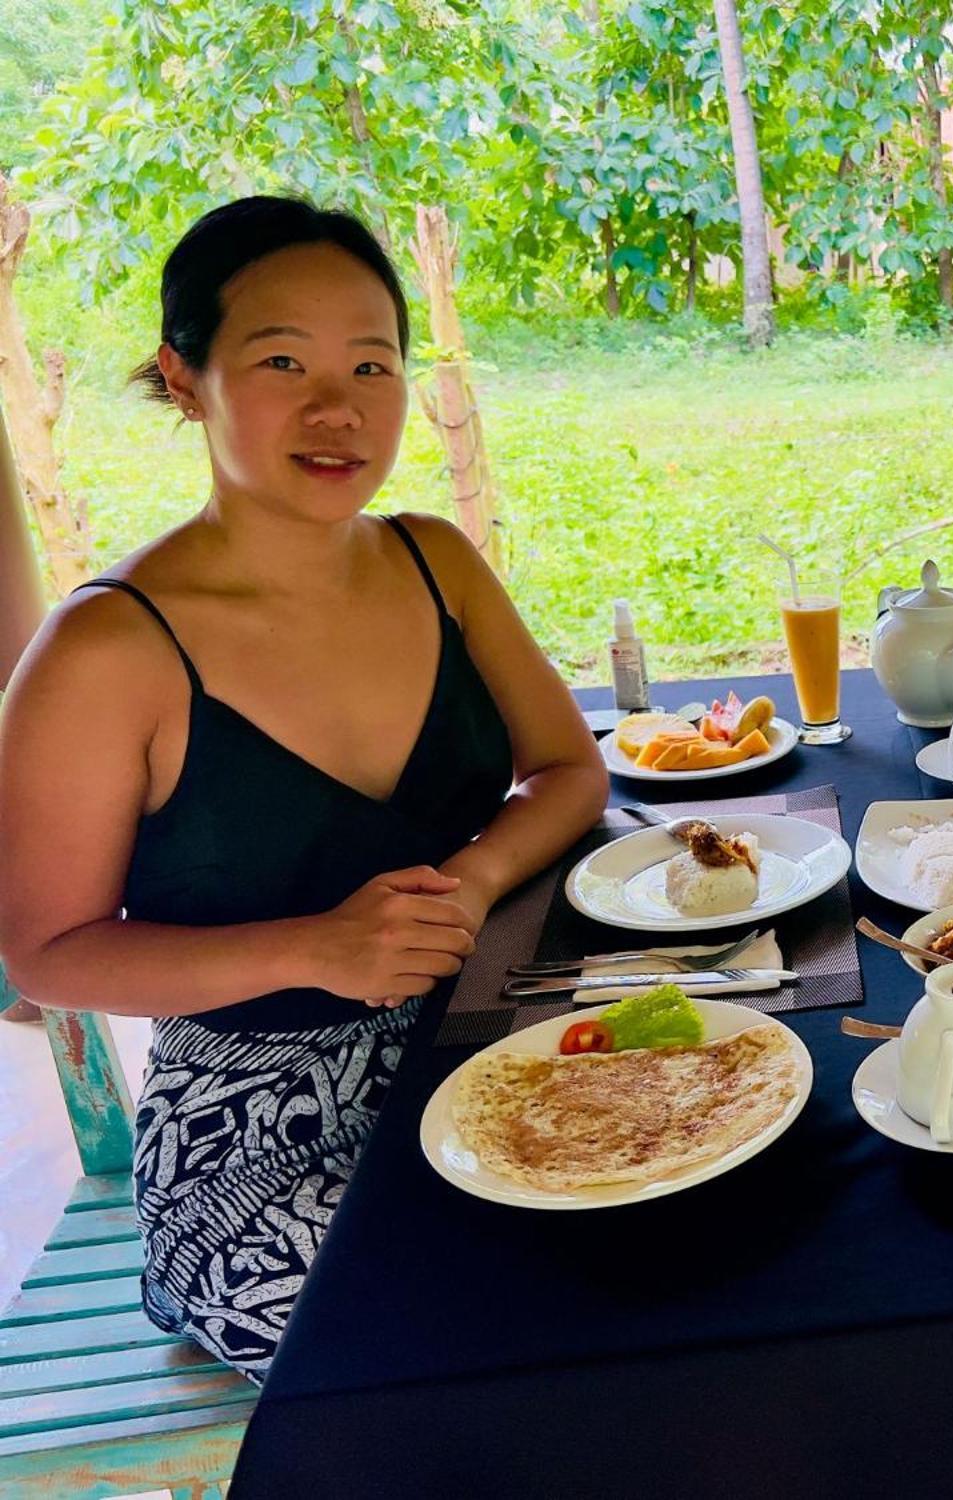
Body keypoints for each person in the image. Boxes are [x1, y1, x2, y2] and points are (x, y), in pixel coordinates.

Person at [0, 196, 609, 1378]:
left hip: (487, 1042)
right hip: (253, 1131)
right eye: (282, 360)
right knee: (513, 1342)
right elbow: (45, 951)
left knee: (706, 1240)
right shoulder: (107, 653)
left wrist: (472, 883)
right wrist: (317, 950)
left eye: (370, 365)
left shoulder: (436, 561)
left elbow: (569, 768)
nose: (338, 410)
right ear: (185, 377)